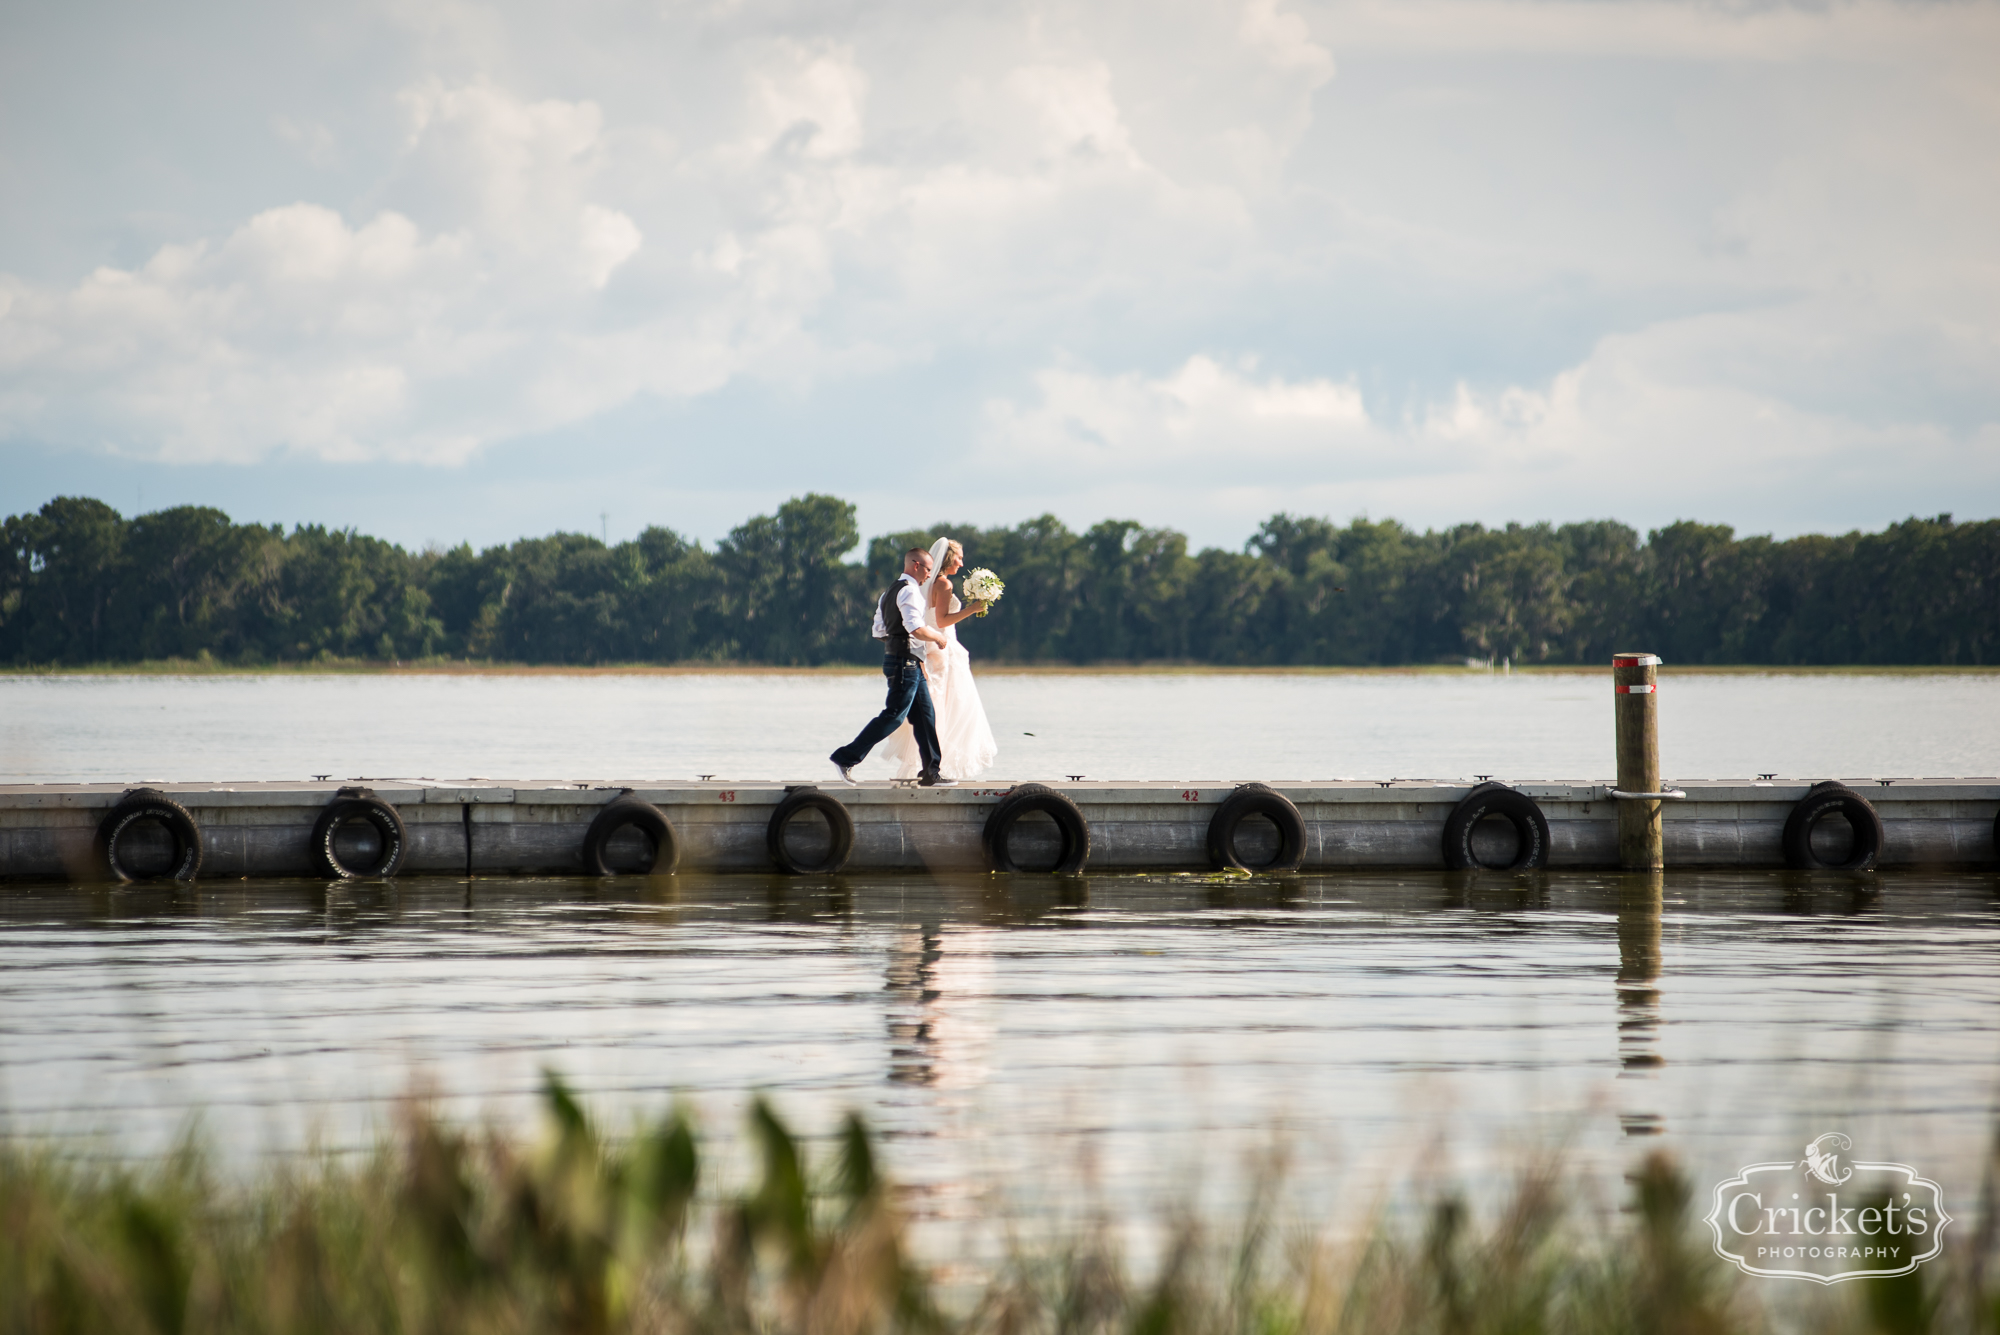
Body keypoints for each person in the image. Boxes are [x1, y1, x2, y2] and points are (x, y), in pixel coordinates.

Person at [831, 547, 954, 787]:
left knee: (925, 717)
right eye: (928, 569)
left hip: (907, 662)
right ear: (916, 565)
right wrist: (938, 638)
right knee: (894, 716)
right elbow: (916, 628)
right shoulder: (909, 592)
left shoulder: (889, 592)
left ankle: (932, 772)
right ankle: (845, 757)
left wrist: (907, 649)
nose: (930, 575)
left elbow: (878, 630)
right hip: (904, 663)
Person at [886, 537, 997, 780]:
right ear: (948, 559)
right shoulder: (944, 584)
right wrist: (973, 609)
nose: (962, 562)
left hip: (930, 647)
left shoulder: (927, 583)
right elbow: (944, 620)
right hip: (943, 646)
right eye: (959, 557)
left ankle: (931, 764)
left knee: (935, 705)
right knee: (950, 705)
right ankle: (937, 766)